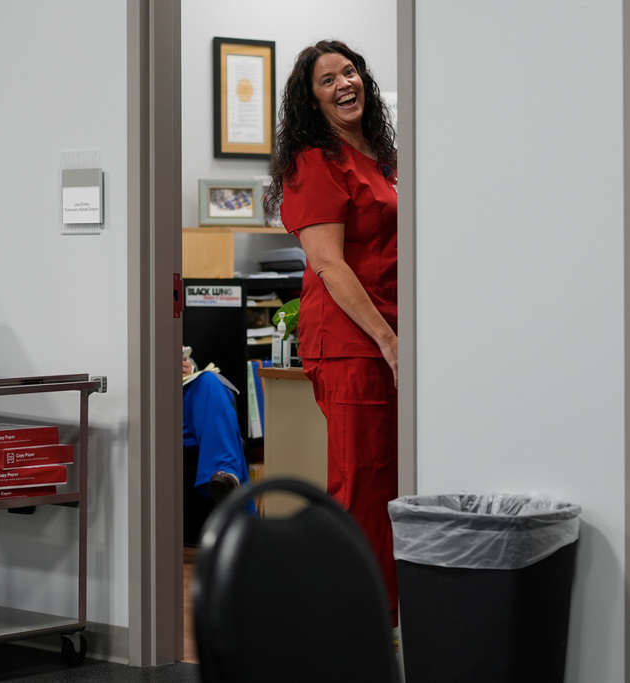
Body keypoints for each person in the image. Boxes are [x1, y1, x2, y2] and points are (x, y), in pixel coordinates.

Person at [265, 40, 400, 625]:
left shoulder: (376, 154)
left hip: (389, 333)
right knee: (362, 484)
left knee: (392, 484)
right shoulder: (315, 162)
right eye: (328, 80)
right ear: (309, 99)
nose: (345, 83)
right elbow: (329, 264)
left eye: (350, 71)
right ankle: (349, 627)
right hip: (353, 343)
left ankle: (390, 619)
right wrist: (388, 341)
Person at [182, 356, 253, 544]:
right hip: (154, 406)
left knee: (208, 380)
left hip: (183, 399)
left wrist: (187, 366)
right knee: (228, 436)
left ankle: (226, 477)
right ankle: (227, 476)